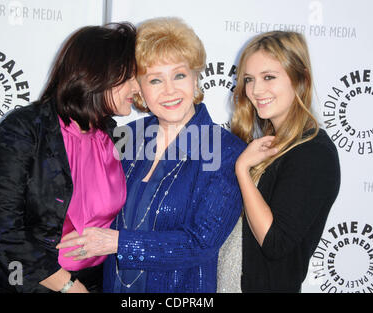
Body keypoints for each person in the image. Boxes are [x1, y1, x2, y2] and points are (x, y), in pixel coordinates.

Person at [56, 17, 246, 293]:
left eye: (179, 75)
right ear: (139, 89)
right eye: (155, 79)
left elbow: (202, 243)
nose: (169, 90)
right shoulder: (125, 137)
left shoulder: (223, 149)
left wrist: (118, 243)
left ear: (195, 78)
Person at [0, 23, 140, 293]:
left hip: (95, 282)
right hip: (26, 286)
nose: (137, 86)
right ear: (97, 73)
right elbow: (4, 231)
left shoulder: (114, 135)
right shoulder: (25, 129)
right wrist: (69, 286)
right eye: (129, 76)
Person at [231, 31, 341, 293]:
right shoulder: (271, 145)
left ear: (299, 78)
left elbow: (274, 243)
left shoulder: (314, 152)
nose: (256, 90)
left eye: (269, 77)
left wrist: (243, 172)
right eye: (249, 79)